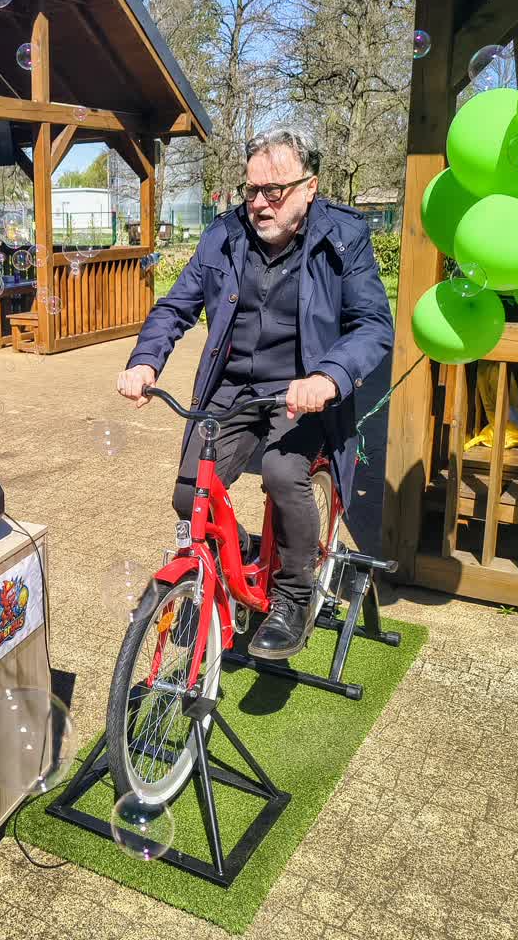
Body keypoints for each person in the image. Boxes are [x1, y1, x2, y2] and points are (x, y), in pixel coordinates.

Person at [115, 125, 394, 659]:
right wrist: (146, 361)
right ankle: (247, 554)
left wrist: (329, 376)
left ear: (310, 187)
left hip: (302, 392)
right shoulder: (224, 236)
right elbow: (175, 306)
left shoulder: (344, 237)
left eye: (275, 191)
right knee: (187, 494)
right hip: (232, 390)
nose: (260, 204)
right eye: (251, 191)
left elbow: (373, 325)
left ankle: (293, 594)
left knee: (283, 474)